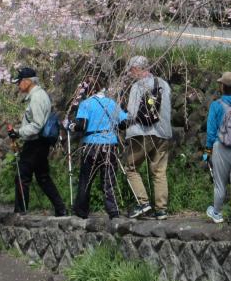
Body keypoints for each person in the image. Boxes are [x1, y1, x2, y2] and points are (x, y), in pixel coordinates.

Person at [8, 67, 67, 216]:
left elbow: (37, 124)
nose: (18, 85)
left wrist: (18, 132)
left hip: (35, 143)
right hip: (40, 143)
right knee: (43, 177)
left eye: (19, 82)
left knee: (22, 176)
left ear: (28, 81)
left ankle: (20, 213)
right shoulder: (40, 95)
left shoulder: (36, 98)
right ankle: (61, 209)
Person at [71, 75, 127, 219]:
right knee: (109, 180)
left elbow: (82, 126)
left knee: (86, 180)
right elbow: (123, 123)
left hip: (91, 145)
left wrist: (70, 126)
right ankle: (113, 212)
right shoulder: (112, 103)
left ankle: (81, 211)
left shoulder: (86, 104)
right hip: (110, 144)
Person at [123, 56, 172, 220]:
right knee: (159, 171)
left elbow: (132, 112)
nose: (130, 74)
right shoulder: (164, 84)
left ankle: (143, 203)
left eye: (131, 70)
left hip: (142, 133)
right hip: (163, 133)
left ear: (137, 69)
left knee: (131, 166)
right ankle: (161, 210)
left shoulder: (137, 86)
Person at [204, 72, 231, 225]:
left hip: (221, 147)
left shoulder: (216, 105)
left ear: (223, 86)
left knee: (220, 183)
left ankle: (216, 213)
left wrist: (207, 152)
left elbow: (211, 132)